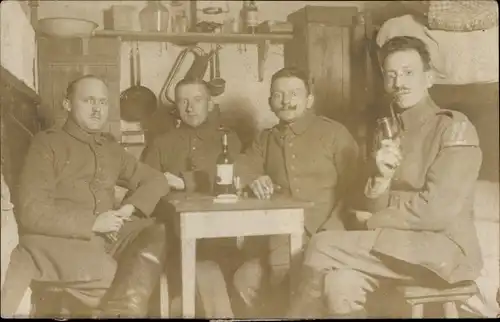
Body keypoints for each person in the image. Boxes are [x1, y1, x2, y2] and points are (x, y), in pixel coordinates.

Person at [289, 36, 483, 318]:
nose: (399, 82)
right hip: (398, 247)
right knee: (339, 284)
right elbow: (373, 205)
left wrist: (374, 220)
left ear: (428, 78)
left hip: (444, 252)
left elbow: (437, 212)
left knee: (322, 244)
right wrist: (380, 178)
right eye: (391, 75)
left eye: (408, 73)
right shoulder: (388, 131)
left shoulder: (454, 128)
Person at [1, 75, 171, 318]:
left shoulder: (110, 149)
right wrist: (92, 222)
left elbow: (156, 179)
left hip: (106, 237)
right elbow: (32, 211)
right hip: (59, 239)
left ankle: (121, 311)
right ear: (68, 104)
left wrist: (130, 208)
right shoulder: (47, 144)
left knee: (158, 231)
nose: (97, 109)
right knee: (116, 275)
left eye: (102, 102)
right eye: (89, 101)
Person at [233, 67, 360, 317]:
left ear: (309, 100)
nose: (286, 101)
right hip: (281, 239)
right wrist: (253, 179)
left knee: (317, 290)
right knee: (244, 279)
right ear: (270, 103)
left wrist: (331, 231)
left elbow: (355, 189)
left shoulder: (334, 134)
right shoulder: (266, 139)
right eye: (278, 95)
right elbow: (239, 166)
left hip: (330, 236)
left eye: (294, 94)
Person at [142, 77, 243, 318]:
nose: (190, 107)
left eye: (197, 100)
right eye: (183, 101)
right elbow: (145, 187)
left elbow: (232, 179)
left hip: (220, 240)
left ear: (210, 104)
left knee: (208, 272)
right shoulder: (161, 143)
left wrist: (181, 181)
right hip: (173, 241)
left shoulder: (229, 140)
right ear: (175, 107)